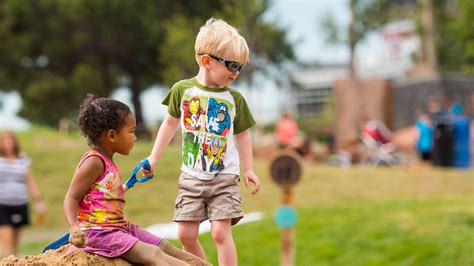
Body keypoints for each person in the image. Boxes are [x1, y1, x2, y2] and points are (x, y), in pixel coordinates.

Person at [144, 18, 261, 266]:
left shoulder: (234, 99)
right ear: (206, 61)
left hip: (224, 177)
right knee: (186, 235)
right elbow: (169, 124)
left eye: (240, 67)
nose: (236, 72)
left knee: (220, 232)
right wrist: (154, 157)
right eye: (231, 64)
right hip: (191, 177)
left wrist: (248, 168)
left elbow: (243, 135)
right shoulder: (182, 91)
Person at [63, 94, 209, 266]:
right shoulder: (94, 162)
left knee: (164, 246)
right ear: (111, 135)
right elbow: (71, 197)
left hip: (119, 227)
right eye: (131, 132)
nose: (135, 137)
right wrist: (73, 227)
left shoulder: (107, 161)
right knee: (152, 253)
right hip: (99, 233)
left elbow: (103, 197)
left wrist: (128, 184)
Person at [0, 131, 47, 258]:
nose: (9, 144)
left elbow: (30, 180)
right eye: (6, 141)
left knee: (15, 242)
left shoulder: (23, 159)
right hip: (3, 205)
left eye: (11, 141)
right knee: (6, 239)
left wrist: (38, 201)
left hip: (21, 203)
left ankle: (13, 261)